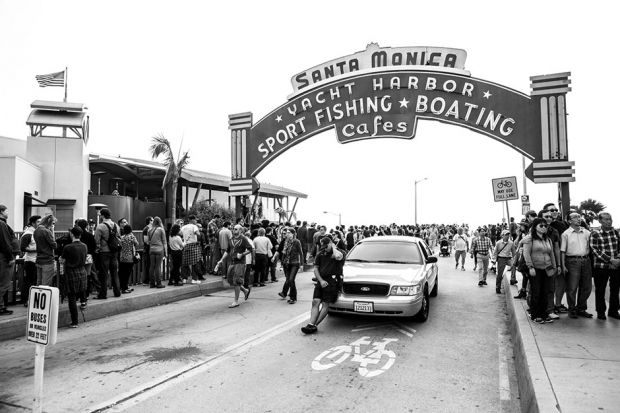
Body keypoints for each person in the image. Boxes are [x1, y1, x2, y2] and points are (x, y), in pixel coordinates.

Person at [301, 236, 345, 334]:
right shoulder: (320, 254)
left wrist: (333, 248)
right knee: (315, 302)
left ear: (330, 243)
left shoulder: (339, 252)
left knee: (325, 304)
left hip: (332, 281)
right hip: (321, 280)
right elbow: (316, 268)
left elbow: (338, 257)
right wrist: (320, 280)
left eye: (326, 246)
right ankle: (311, 324)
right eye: (323, 247)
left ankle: (314, 325)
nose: (324, 248)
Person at [522, 217, 561, 324]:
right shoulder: (529, 239)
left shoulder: (547, 239)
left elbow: (551, 253)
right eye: (541, 225)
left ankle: (544, 314)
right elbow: (526, 253)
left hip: (547, 268)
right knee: (535, 292)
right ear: (535, 227)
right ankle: (535, 314)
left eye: (545, 226)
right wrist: (530, 267)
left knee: (545, 292)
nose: (544, 228)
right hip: (535, 268)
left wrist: (555, 266)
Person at [560, 212, 593, 319]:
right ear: (569, 221)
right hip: (572, 261)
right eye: (575, 217)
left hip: (586, 260)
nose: (578, 219)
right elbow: (563, 251)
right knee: (572, 287)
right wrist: (563, 265)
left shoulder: (587, 232)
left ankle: (581, 308)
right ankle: (572, 309)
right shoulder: (566, 234)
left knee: (587, 287)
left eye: (579, 217)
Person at [590, 212, 620, 320]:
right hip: (601, 266)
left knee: (615, 289)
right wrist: (610, 260)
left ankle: (614, 311)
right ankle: (601, 312)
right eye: (606, 219)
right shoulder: (595, 233)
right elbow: (595, 250)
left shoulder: (615, 232)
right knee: (600, 289)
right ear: (600, 221)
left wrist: (617, 260)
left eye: (610, 219)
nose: (609, 221)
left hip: (616, 266)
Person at [214, 224, 251, 308]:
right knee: (231, 280)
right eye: (233, 229)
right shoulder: (231, 239)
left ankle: (236, 301)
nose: (234, 230)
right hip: (232, 262)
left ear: (241, 231)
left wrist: (242, 254)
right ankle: (245, 290)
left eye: (236, 229)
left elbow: (250, 249)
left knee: (236, 282)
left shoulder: (243, 239)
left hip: (240, 263)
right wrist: (221, 260)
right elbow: (228, 250)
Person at [59, 226, 88, 328]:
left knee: (72, 297)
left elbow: (62, 261)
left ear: (71, 234)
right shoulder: (84, 246)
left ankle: (74, 321)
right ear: (80, 235)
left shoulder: (68, 247)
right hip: (82, 271)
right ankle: (84, 302)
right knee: (81, 292)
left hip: (71, 272)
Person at [539, 209, 563, 320]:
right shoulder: (534, 231)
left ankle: (550, 310)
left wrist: (558, 265)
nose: (549, 218)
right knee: (536, 288)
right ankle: (536, 310)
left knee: (550, 288)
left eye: (550, 217)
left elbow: (557, 248)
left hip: (550, 264)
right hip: (537, 263)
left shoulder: (554, 231)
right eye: (546, 216)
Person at [94, 208, 122, 299]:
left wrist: (97, 248)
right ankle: (117, 292)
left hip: (104, 252)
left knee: (104, 274)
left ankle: (103, 294)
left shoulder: (100, 226)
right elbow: (118, 237)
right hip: (114, 252)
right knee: (114, 272)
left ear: (102, 216)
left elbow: (96, 241)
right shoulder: (116, 225)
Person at [0, 205, 19, 315]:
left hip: (3, 256)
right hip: (4, 258)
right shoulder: (2, 224)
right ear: (1, 212)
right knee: (3, 284)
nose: (8, 213)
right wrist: (10, 257)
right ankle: (1, 307)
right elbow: (5, 242)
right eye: (7, 210)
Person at [278, 228, 303, 304]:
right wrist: (282, 264)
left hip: (295, 263)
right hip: (286, 263)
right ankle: (290, 294)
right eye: (287, 233)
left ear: (293, 234)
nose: (287, 234)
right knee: (289, 280)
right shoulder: (285, 242)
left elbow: (301, 253)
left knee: (291, 279)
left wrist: (302, 264)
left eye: (289, 233)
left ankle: (293, 297)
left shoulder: (297, 242)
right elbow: (284, 254)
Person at [20, 215, 41, 306]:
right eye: (38, 222)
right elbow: (23, 248)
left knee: (35, 280)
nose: (40, 224)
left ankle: (32, 299)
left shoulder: (36, 232)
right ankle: (26, 300)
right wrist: (37, 250)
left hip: (36, 260)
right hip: (30, 260)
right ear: (33, 223)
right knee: (29, 281)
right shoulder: (28, 234)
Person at [76, 219, 99, 300]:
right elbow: (94, 246)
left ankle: (79, 294)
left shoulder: (76, 235)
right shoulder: (89, 235)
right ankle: (86, 294)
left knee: (79, 275)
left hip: (78, 256)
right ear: (86, 226)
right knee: (88, 275)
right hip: (88, 256)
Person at [34, 214, 57, 286]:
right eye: (53, 223)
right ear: (49, 222)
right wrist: (52, 231)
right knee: (46, 284)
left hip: (39, 259)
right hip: (47, 260)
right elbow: (54, 245)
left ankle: (37, 297)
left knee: (39, 282)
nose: (53, 225)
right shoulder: (46, 231)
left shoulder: (36, 230)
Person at [493, 230, 516, 294]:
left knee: (513, 265)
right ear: (502, 235)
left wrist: (515, 259)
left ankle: (513, 279)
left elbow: (514, 252)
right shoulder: (498, 243)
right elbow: (495, 252)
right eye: (506, 235)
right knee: (499, 274)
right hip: (501, 258)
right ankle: (498, 287)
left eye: (508, 234)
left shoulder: (511, 243)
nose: (507, 236)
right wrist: (494, 260)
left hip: (508, 258)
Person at [147, 217, 167, 288]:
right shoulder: (161, 229)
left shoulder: (149, 230)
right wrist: (166, 252)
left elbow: (148, 241)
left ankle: (152, 283)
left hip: (152, 250)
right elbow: (164, 241)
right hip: (159, 249)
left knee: (152, 266)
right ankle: (158, 283)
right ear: (160, 222)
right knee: (158, 266)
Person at [181, 215, 201, 284]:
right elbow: (197, 233)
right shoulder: (194, 226)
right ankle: (194, 279)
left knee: (185, 263)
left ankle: (184, 278)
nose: (196, 221)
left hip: (186, 245)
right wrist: (199, 232)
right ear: (192, 220)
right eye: (195, 220)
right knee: (195, 263)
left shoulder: (183, 227)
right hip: (193, 245)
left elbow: (180, 234)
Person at [118, 224, 138, 294]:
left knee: (122, 273)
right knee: (127, 274)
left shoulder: (121, 237)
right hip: (129, 258)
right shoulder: (132, 237)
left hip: (122, 257)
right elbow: (136, 244)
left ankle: (122, 286)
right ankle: (125, 288)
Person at [141, 216, 153, 286]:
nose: (154, 221)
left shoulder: (149, 229)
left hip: (149, 249)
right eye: (152, 220)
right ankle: (146, 280)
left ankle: (148, 279)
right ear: (150, 221)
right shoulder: (146, 229)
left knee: (149, 265)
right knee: (148, 265)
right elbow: (146, 241)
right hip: (147, 249)